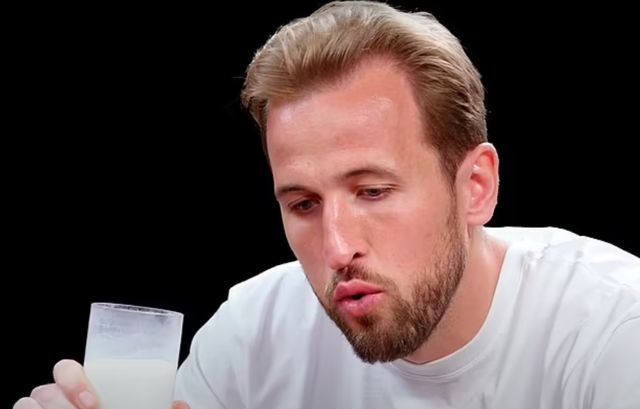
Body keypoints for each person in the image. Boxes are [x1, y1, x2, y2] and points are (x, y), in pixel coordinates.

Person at [14, 1, 640, 408]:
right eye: (303, 204)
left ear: (475, 185)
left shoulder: (613, 329)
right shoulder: (254, 333)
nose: (338, 248)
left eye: (373, 191)